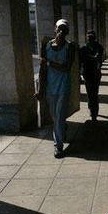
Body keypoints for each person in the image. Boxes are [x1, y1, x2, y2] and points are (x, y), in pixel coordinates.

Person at [34, 19, 75, 158]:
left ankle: (58, 146)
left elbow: (66, 67)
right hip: (51, 88)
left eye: (64, 29)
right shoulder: (46, 46)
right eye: (59, 28)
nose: (61, 31)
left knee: (58, 116)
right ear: (55, 29)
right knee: (55, 116)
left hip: (63, 87)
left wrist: (49, 63)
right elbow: (42, 69)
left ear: (67, 32)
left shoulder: (70, 47)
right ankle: (63, 127)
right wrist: (40, 90)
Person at [79, 30, 104, 122]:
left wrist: (89, 57)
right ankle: (92, 109)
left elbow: (99, 58)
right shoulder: (84, 48)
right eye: (89, 37)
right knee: (90, 92)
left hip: (95, 73)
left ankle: (94, 111)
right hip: (87, 73)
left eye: (91, 37)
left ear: (94, 38)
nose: (90, 39)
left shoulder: (99, 47)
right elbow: (81, 60)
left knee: (94, 92)